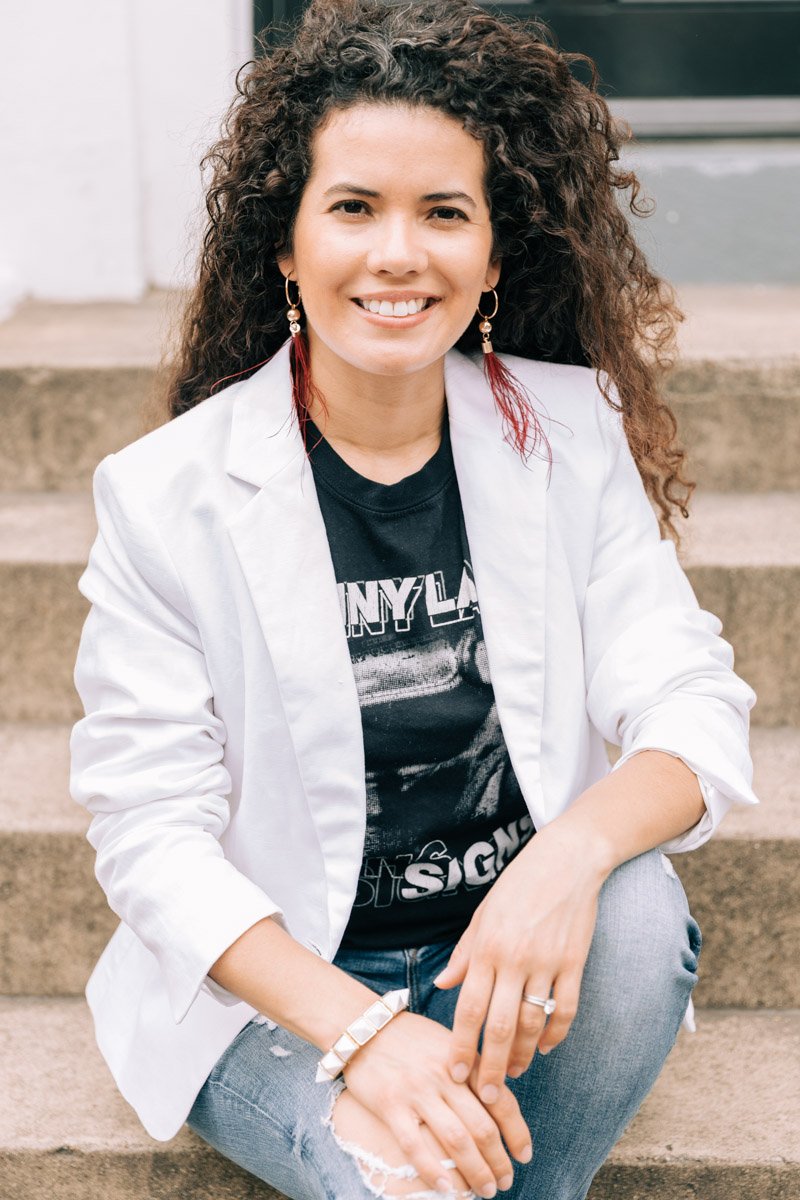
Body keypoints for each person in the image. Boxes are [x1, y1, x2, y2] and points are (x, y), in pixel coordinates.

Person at [69, 1, 759, 1197]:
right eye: (352, 208)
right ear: (284, 247)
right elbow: (150, 835)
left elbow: (690, 702)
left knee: (637, 908)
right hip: (281, 995)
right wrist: (365, 1036)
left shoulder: (570, 434)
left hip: (505, 966)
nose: (397, 253)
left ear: (492, 256)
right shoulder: (166, 495)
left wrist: (563, 861)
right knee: (407, 1179)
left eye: (443, 212)